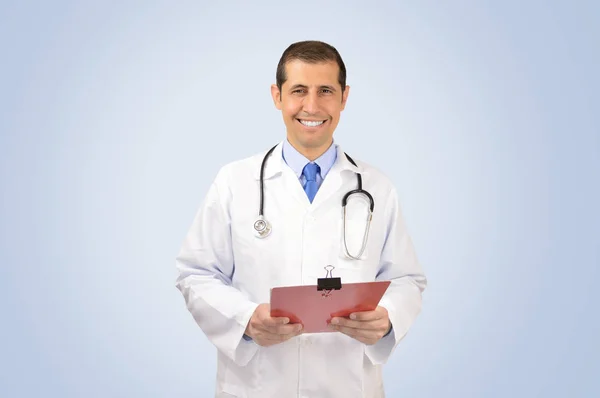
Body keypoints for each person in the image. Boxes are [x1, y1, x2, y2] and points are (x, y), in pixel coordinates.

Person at [175, 40, 427, 398]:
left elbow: (406, 279)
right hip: (257, 386)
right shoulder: (234, 182)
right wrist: (245, 319)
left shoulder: (377, 188)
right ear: (277, 96)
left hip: (347, 384)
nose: (311, 106)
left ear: (344, 98)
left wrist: (387, 318)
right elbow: (195, 273)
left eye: (325, 90)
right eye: (298, 91)